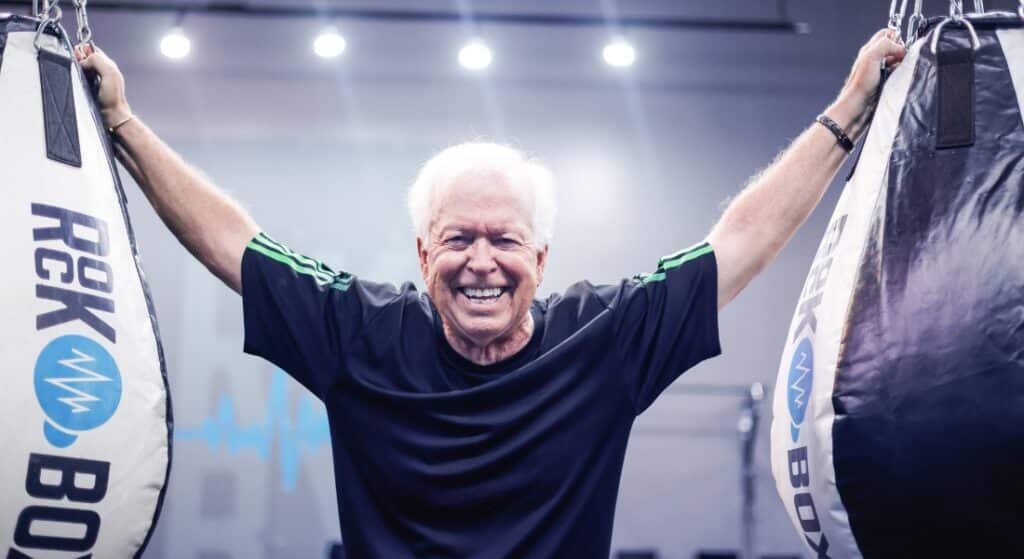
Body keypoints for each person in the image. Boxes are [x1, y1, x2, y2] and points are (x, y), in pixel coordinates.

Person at [76, 28, 906, 558]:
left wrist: (848, 112)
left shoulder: (605, 338)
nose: (481, 261)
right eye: (458, 238)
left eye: (504, 239)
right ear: (421, 251)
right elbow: (234, 243)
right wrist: (121, 121)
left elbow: (741, 240)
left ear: (540, 257)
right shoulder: (357, 333)